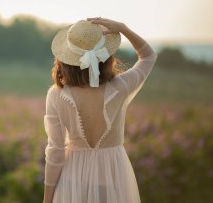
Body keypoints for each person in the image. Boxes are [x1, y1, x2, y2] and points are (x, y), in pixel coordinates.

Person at [42, 17, 158, 203]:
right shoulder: (122, 86)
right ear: (105, 55)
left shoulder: (56, 95)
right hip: (113, 176)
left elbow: (55, 152)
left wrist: (47, 199)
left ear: (65, 59)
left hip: (72, 180)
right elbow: (149, 56)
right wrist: (123, 28)